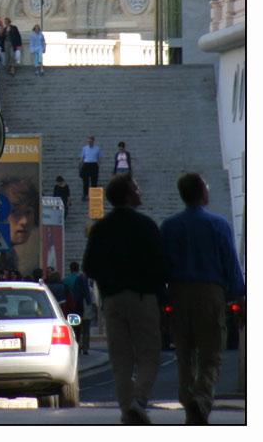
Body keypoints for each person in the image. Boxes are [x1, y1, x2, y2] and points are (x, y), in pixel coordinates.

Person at [160, 172, 246, 424]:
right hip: (211, 292)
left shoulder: (169, 226)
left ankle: (189, 401)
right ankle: (202, 397)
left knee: (185, 351)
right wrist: (239, 297)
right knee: (211, 353)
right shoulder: (219, 224)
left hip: (178, 291)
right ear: (204, 194)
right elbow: (231, 264)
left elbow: (162, 265)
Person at [83, 174, 168, 425]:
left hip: (113, 300)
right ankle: (139, 401)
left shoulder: (100, 228)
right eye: (136, 188)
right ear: (129, 195)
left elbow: (89, 266)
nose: (140, 192)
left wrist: (108, 283)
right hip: (143, 297)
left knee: (120, 359)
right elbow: (161, 264)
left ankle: (126, 411)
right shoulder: (146, 225)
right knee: (150, 355)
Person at [63, 261, 89, 342]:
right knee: (79, 324)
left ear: (70, 269)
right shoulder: (82, 279)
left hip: (69, 305)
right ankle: (78, 340)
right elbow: (86, 293)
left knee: (70, 323)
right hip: (79, 304)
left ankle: (72, 339)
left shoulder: (65, 280)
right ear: (78, 269)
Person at [78, 136, 102, 200]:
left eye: (90, 141)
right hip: (86, 164)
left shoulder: (97, 148)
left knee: (94, 180)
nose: (89, 142)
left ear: (93, 141)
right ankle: (85, 194)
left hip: (94, 164)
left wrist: (98, 164)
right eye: (88, 141)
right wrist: (81, 165)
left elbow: (99, 158)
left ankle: (93, 194)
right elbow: (82, 158)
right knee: (85, 180)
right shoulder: (84, 148)